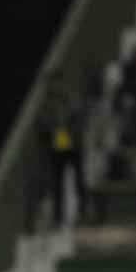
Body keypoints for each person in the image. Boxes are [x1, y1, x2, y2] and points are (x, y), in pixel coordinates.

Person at [38, 71, 87, 226]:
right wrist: (55, 127)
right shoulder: (47, 103)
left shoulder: (71, 98)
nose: (55, 86)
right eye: (52, 83)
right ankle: (59, 215)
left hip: (74, 142)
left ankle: (83, 211)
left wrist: (68, 126)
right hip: (58, 142)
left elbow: (78, 114)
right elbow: (44, 123)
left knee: (79, 178)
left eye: (57, 82)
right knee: (58, 182)